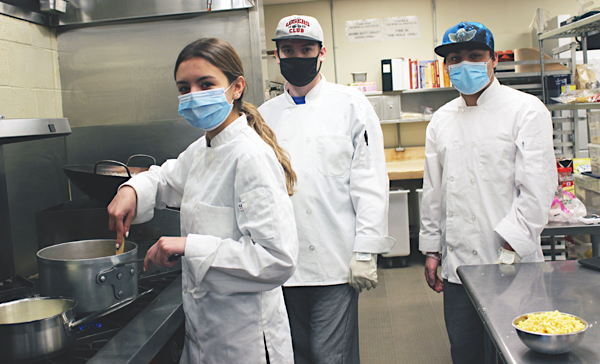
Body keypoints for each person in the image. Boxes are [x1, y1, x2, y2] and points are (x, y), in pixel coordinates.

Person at [107, 37, 298, 364]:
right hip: (206, 331)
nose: (193, 96)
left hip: (246, 339)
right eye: (184, 88)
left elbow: (276, 260)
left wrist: (187, 246)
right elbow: (166, 178)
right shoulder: (202, 149)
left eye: (206, 84)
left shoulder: (250, 157)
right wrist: (132, 189)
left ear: (237, 87)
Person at [258, 15, 395, 364]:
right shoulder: (263, 116)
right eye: (288, 49)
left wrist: (366, 251)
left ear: (321, 54)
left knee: (329, 355)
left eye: (306, 49)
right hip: (282, 261)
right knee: (293, 354)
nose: (296, 57)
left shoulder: (350, 104)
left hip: (336, 260)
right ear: (276, 55)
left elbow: (370, 180)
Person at [419, 21, 557, 364]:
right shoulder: (441, 119)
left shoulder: (526, 110)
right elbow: (434, 191)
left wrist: (511, 246)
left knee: (514, 352)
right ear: (446, 65)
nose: (464, 64)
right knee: (465, 351)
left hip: (510, 263)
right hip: (458, 267)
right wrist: (432, 249)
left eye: (475, 55)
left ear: (493, 59)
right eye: (454, 58)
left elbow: (538, 189)